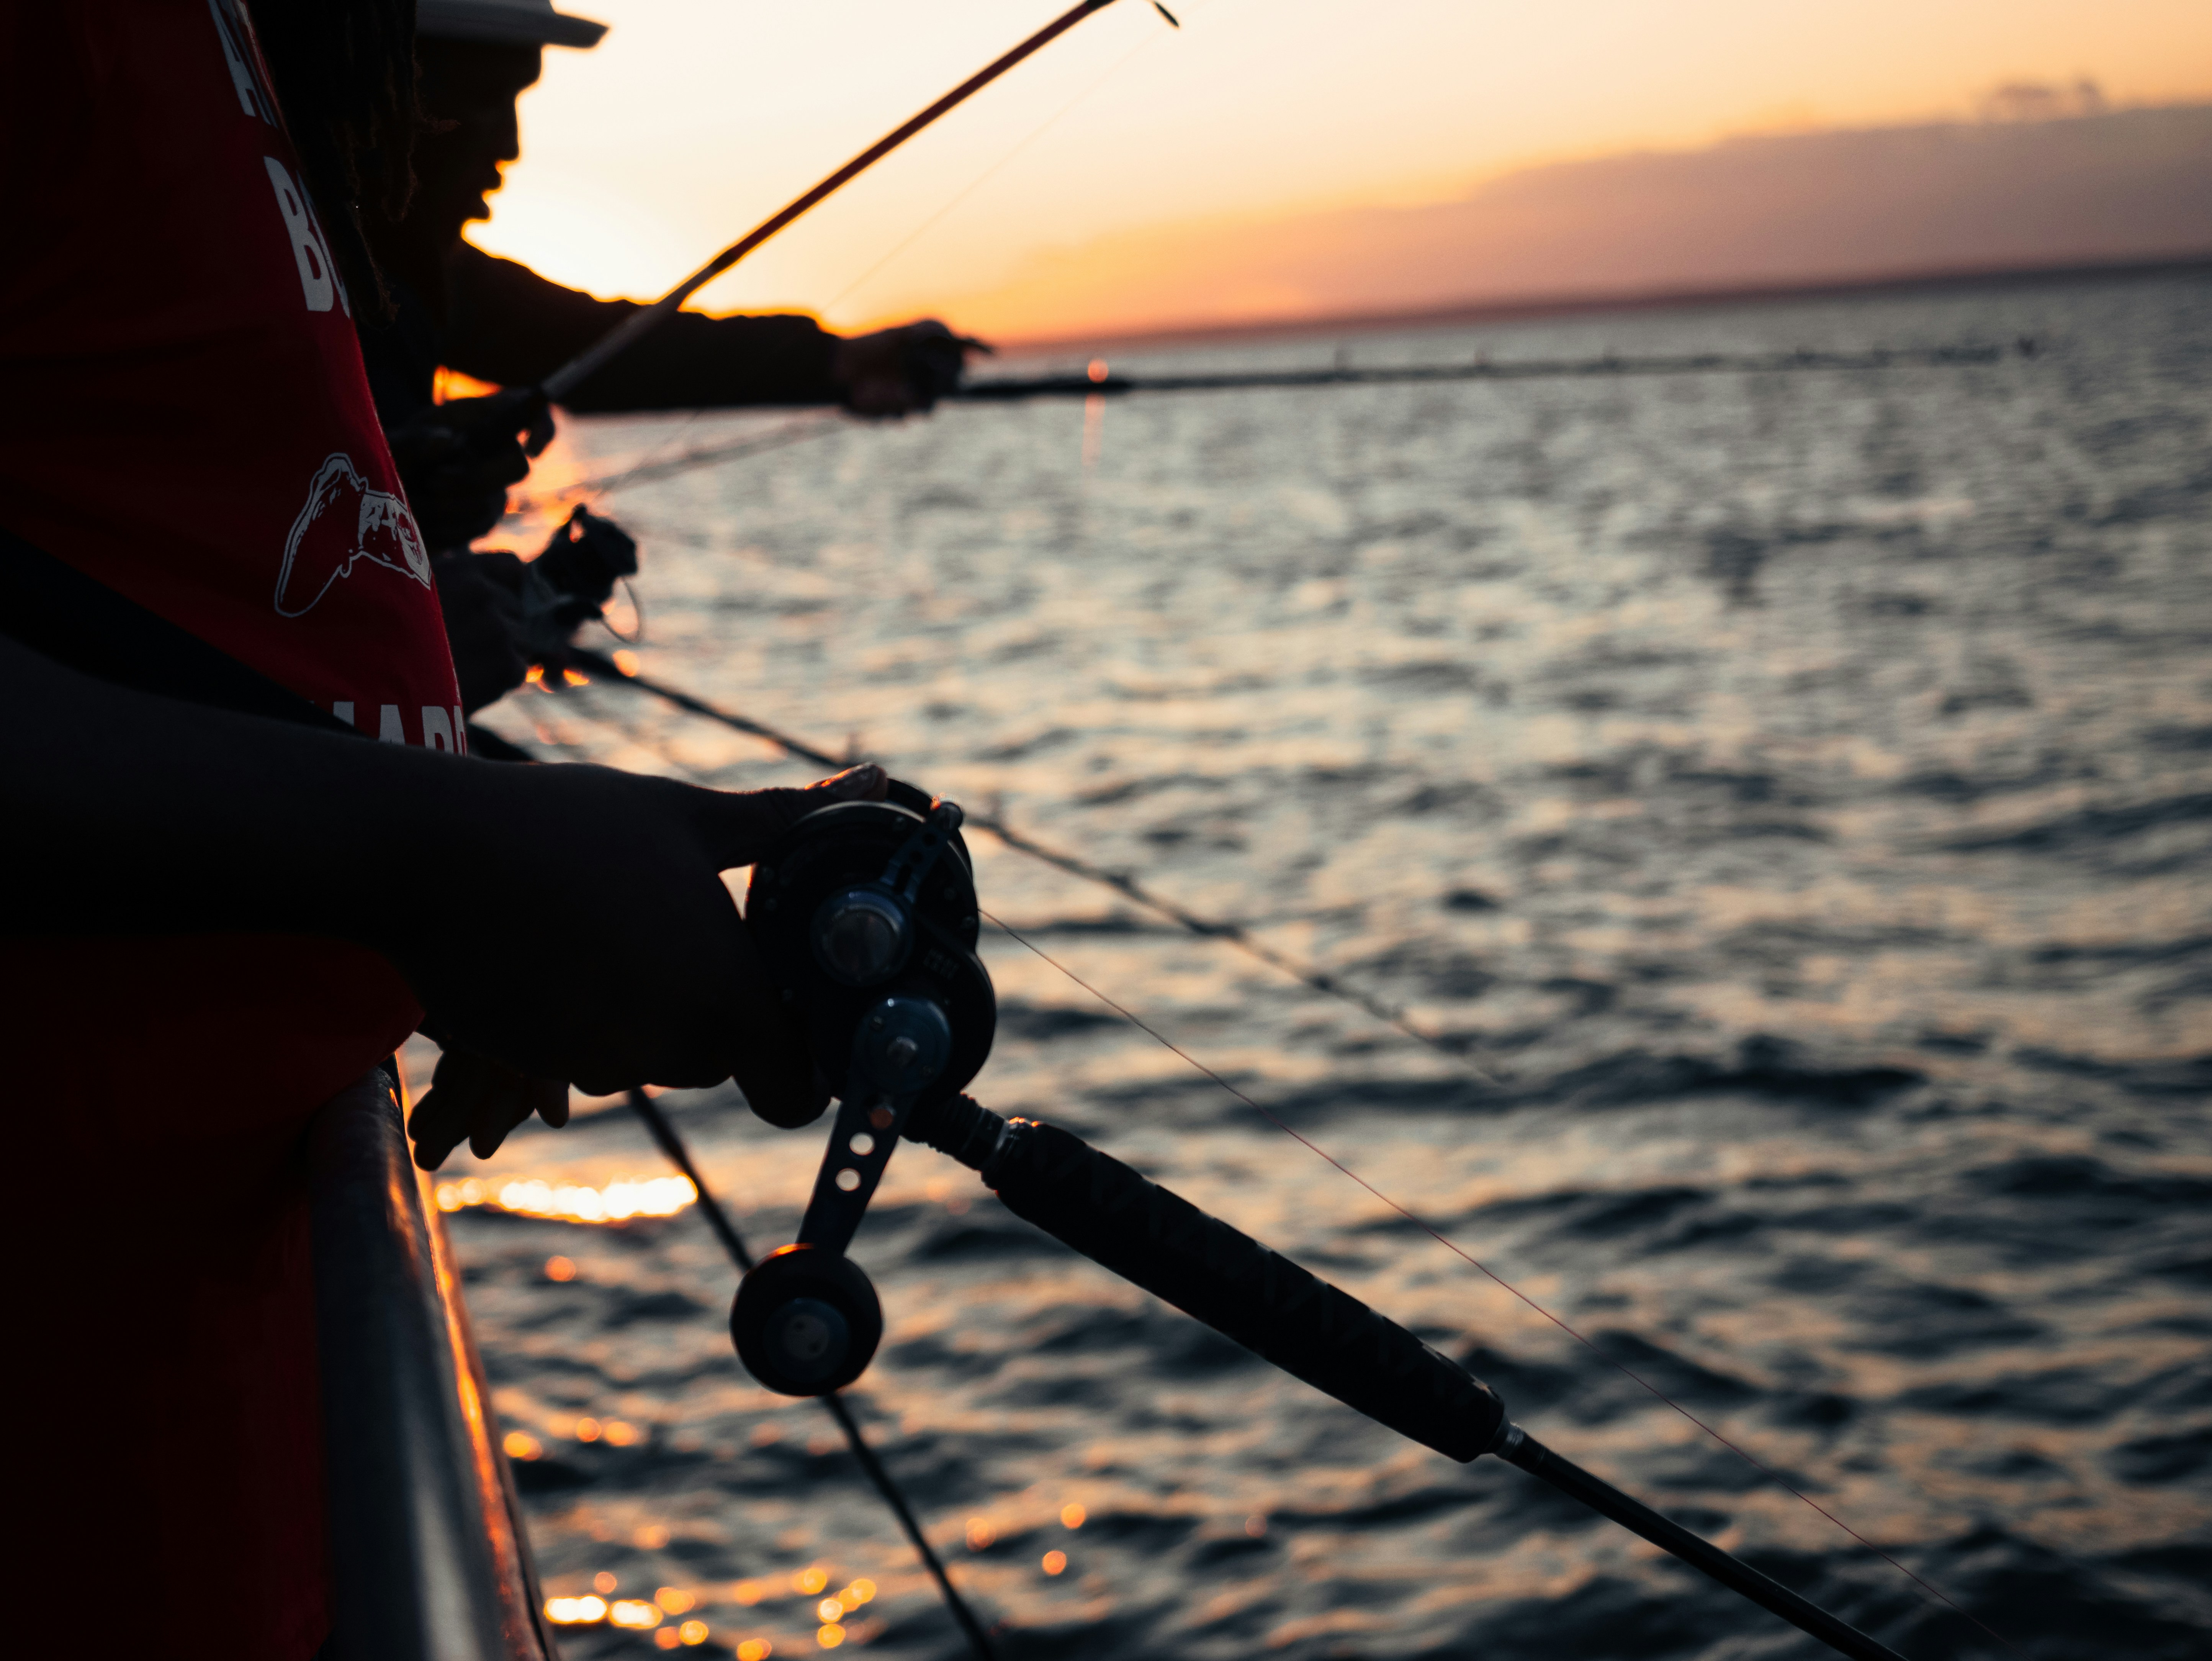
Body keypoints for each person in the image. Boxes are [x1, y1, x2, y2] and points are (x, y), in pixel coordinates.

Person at [0, 5, 876, 1653]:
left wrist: (437, 800)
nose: (494, 132)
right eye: (473, 76)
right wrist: (446, 855)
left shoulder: (236, 54)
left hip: (234, 1399)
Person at [366, 0, 984, 711]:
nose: (509, 146)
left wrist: (833, 362)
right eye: (483, 101)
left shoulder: (422, 273)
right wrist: (392, 483)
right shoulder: (247, 259)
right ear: (365, 78)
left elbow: (601, 348)